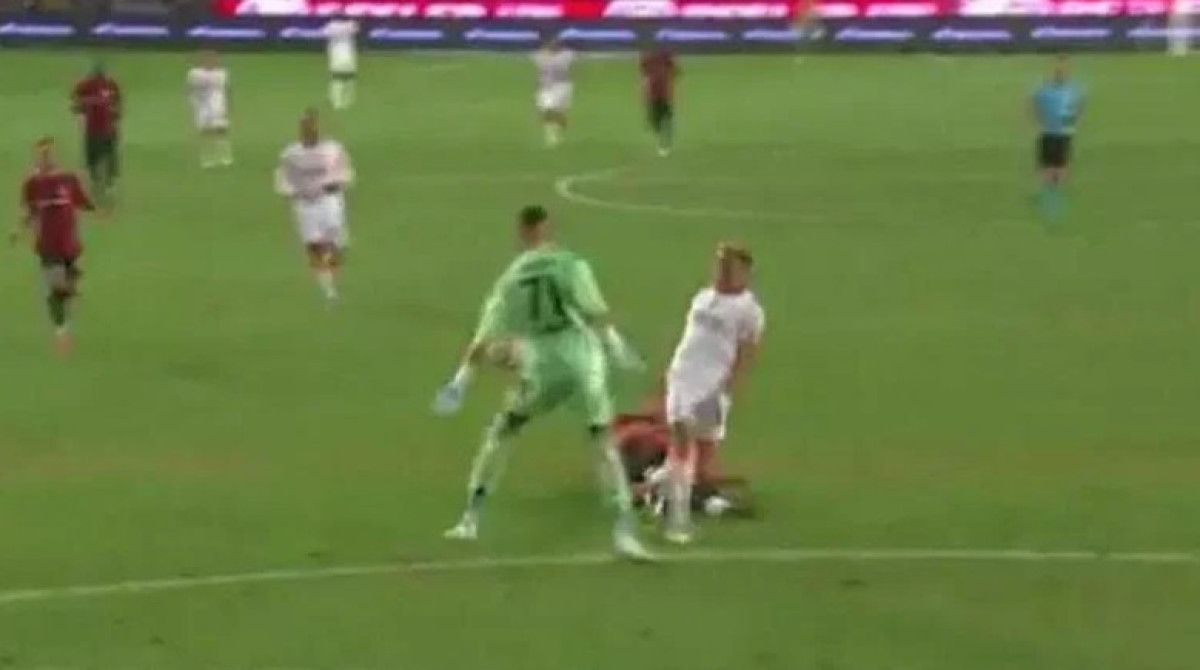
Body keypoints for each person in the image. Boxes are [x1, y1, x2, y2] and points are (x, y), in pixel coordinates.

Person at [432, 205, 654, 562]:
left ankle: (470, 519)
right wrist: (619, 348)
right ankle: (624, 531)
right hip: (583, 358)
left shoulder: (511, 278)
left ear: (522, 232)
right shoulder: (571, 263)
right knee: (601, 440)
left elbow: (483, 339)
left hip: (542, 362)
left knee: (504, 430)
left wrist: (459, 383)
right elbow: (596, 314)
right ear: (548, 229)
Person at [662, 243, 765, 544]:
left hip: (712, 386)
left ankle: (678, 497)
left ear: (744, 271)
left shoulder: (749, 310)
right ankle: (677, 520)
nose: (721, 271)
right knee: (682, 441)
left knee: (703, 454)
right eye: (719, 265)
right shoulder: (703, 296)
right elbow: (689, 338)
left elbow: (747, 352)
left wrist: (729, 389)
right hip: (683, 379)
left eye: (728, 266)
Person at [11, 138, 99, 353]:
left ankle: (71, 285)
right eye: (42, 155)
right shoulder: (33, 184)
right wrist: (18, 230)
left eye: (49, 154)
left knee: (67, 286)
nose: (45, 158)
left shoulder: (68, 179)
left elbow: (83, 202)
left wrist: (99, 212)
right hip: (47, 246)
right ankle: (61, 333)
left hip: (69, 245)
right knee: (56, 288)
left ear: (55, 156)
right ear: (37, 158)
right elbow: (29, 211)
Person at [614, 391, 754, 518]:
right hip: (645, 461)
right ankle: (710, 503)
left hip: (650, 462)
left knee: (677, 485)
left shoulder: (648, 433)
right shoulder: (644, 436)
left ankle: (708, 502)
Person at [274, 111, 354, 303]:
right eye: (306, 129)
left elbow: (345, 172)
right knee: (314, 246)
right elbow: (283, 179)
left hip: (329, 201)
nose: (310, 132)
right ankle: (328, 288)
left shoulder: (333, 149)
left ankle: (330, 269)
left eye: (313, 128)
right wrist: (290, 192)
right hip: (305, 205)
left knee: (334, 244)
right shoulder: (291, 154)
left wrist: (338, 183)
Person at [1031, 55, 1084, 218]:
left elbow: (1079, 107)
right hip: (1048, 132)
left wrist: (1072, 122)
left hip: (1063, 133)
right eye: (1058, 69)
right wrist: (1040, 121)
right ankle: (1049, 195)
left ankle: (1056, 195)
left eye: (1063, 69)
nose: (1060, 72)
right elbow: (1036, 105)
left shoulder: (1073, 90)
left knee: (1060, 165)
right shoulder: (1045, 89)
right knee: (1047, 165)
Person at [71, 60, 122, 204]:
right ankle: (99, 183)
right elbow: (76, 99)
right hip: (95, 130)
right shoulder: (89, 85)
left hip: (105, 130)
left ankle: (108, 184)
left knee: (108, 158)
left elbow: (117, 103)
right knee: (95, 159)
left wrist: (116, 115)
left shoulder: (109, 85)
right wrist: (79, 110)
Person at [186, 50, 234, 169]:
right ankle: (207, 158)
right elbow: (189, 89)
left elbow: (226, 89)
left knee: (221, 130)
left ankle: (225, 156)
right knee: (205, 132)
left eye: (213, 59)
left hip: (218, 104)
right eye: (207, 59)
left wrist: (228, 104)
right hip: (202, 106)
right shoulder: (195, 74)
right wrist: (193, 103)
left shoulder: (221, 73)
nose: (210, 62)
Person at [532, 38, 575, 148]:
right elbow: (539, 71)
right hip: (545, 87)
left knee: (559, 113)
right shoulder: (539, 56)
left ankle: (559, 128)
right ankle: (551, 135)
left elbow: (572, 68)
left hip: (562, 86)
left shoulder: (566, 56)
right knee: (547, 109)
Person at [639, 47, 678, 157]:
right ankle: (661, 136)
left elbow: (674, 71)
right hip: (653, 94)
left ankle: (665, 143)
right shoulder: (647, 58)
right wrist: (644, 91)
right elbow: (644, 76)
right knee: (655, 120)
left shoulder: (665, 57)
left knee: (667, 118)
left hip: (664, 94)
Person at [325, 19, 359, 110]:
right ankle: (346, 101)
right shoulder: (351, 24)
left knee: (337, 78)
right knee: (349, 79)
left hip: (337, 53)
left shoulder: (331, 25)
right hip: (347, 54)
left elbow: (326, 34)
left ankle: (336, 101)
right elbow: (356, 30)